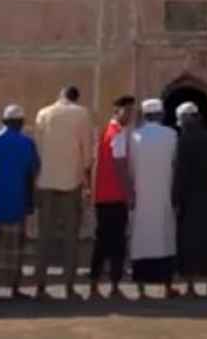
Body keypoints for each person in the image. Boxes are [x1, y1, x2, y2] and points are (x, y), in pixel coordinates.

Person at [33, 85, 93, 300]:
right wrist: (87, 179)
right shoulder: (81, 114)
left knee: (44, 236)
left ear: (60, 96)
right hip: (71, 182)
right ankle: (68, 285)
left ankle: (40, 284)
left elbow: (37, 149)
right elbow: (87, 152)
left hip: (46, 181)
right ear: (76, 99)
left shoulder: (43, 113)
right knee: (70, 237)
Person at [118, 98, 179, 297]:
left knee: (141, 239)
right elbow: (175, 165)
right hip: (164, 196)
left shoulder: (134, 137)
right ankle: (167, 287)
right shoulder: (171, 135)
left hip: (141, 195)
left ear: (144, 116)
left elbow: (130, 168)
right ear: (161, 114)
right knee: (164, 238)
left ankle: (141, 289)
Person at [0, 104, 40, 301]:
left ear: (4, 122)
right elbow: (33, 170)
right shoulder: (27, 143)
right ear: (21, 123)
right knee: (14, 250)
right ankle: (13, 289)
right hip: (17, 203)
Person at [173, 101, 207, 297]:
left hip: (189, 198)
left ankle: (191, 286)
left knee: (188, 242)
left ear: (187, 120)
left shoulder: (183, 141)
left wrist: (175, 198)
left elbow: (180, 172)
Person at [90, 95, 135, 298]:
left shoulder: (106, 132)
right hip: (115, 196)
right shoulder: (117, 133)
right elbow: (119, 165)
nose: (130, 115)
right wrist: (129, 192)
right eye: (127, 111)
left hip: (103, 196)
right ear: (117, 111)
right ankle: (114, 285)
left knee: (102, 241)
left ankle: (94, 283)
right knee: (116, 243)